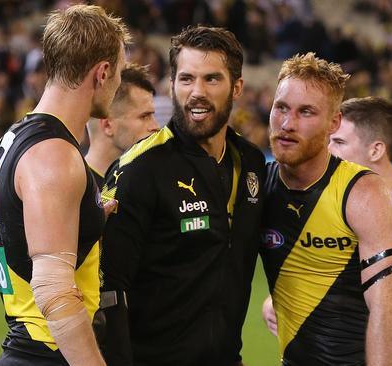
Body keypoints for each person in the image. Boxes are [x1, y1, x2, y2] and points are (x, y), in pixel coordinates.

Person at [98, 26, 266, 365]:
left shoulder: (251, 163)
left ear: (237, 87)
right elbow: (106, 291)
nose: (197, 92)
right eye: (186, 79)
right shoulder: (139, 169)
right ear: (172, 85)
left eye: (212, 79)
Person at [0, 5, 129, 365]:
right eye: (120, 71)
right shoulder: (53, 158)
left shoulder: (5, 146)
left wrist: (81, 219)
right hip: (48, 354)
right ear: (102, 72)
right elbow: (54, 291)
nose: (119, 83)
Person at [260, 53, 392, 366]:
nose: (286, 124)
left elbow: (387, 308)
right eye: (281, 107)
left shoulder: (363, 193)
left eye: (305, 112)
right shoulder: (259, 188)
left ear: (333, 122)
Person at [85, 63, 160, 187]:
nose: (156, 126)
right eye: (144, 116)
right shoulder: (76, 191)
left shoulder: (149, 184)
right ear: (107, 125)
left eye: (153, 116)